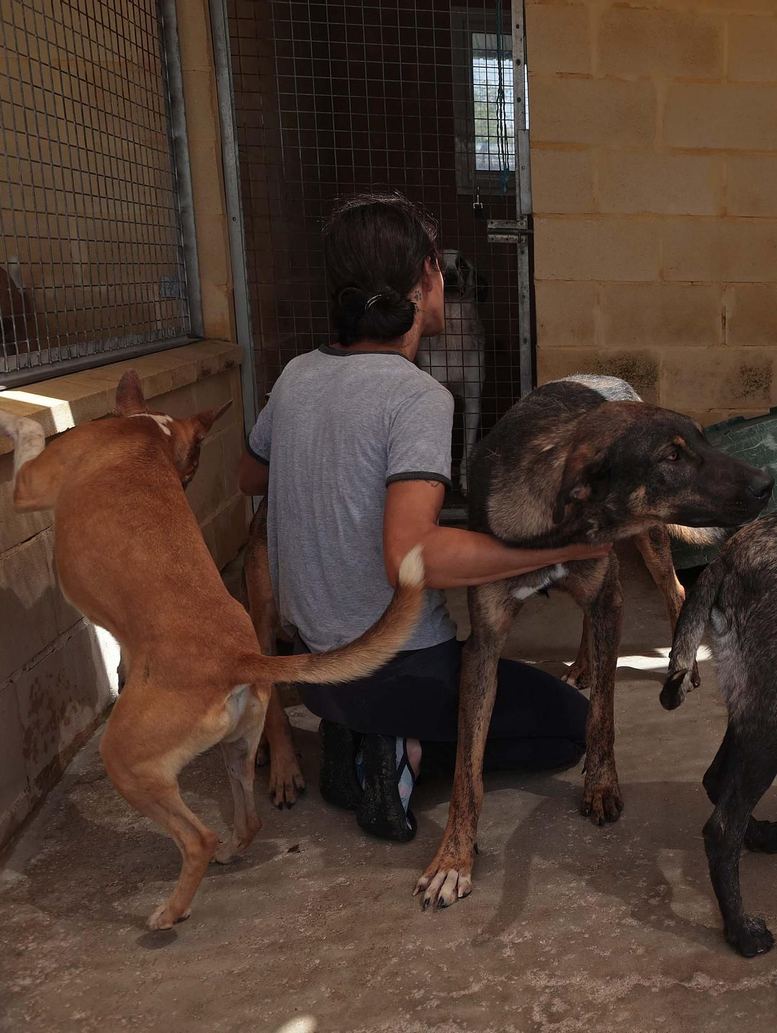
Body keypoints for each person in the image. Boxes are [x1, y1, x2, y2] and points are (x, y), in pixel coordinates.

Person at [237, 193, 608, 842]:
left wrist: (321, 454)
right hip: (398, 670)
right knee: (568, 723)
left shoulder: (296, 375)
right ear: (427, 278)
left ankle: (354, 739)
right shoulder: (417, 397)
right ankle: (402, 753)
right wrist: (555, 552)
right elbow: (415, 555)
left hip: (315, 671)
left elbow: (248, 476)